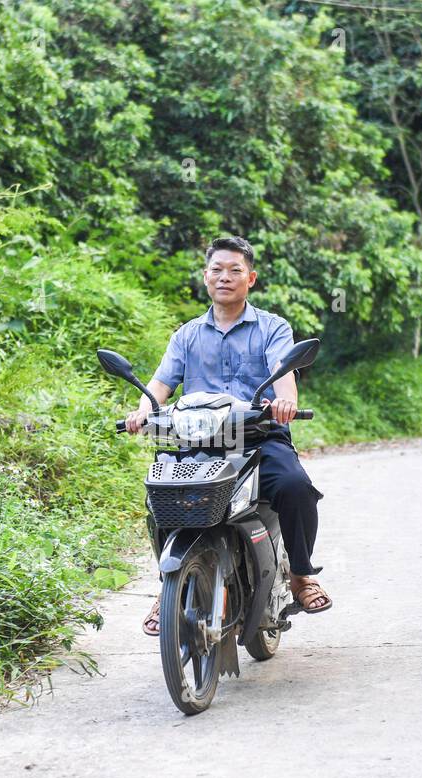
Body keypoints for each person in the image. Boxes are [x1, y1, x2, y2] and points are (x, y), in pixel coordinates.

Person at [125, 235, 332, 636]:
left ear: (250, 278)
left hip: (258, 438)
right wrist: (141, 412)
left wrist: (285, 402)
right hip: (194, 444)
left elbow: (284, 375)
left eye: (235, 270)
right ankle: (170, 584)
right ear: (205, 277)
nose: (225, 277)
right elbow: (160, 385)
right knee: (160, 497)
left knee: (295, 486)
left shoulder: (272, 328)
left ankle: (302, 575)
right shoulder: (186, 335)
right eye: (217, 269)